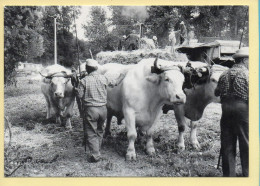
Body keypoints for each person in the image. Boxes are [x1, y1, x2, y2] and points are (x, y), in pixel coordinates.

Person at [74, 59, 125, 163]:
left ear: (87, 69)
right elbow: (114, 83)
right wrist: (121, 76)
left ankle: (96, 155)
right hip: (103, 109)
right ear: (96, 68)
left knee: (91, 132)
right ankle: (97, 148)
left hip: (91, 110)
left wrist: (76, 88)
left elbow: (79, 96)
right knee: (100, 130)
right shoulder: (104, 78)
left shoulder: (84, 81)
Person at [215, 47, 249, 177]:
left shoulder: (224, 74)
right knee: (246, 142)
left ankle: (229, 176)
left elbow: (216, 93)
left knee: (227, 143)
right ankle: (248, 174)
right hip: (242, 111)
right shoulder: (248, 74)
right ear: (245, 60)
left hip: (226, 110)